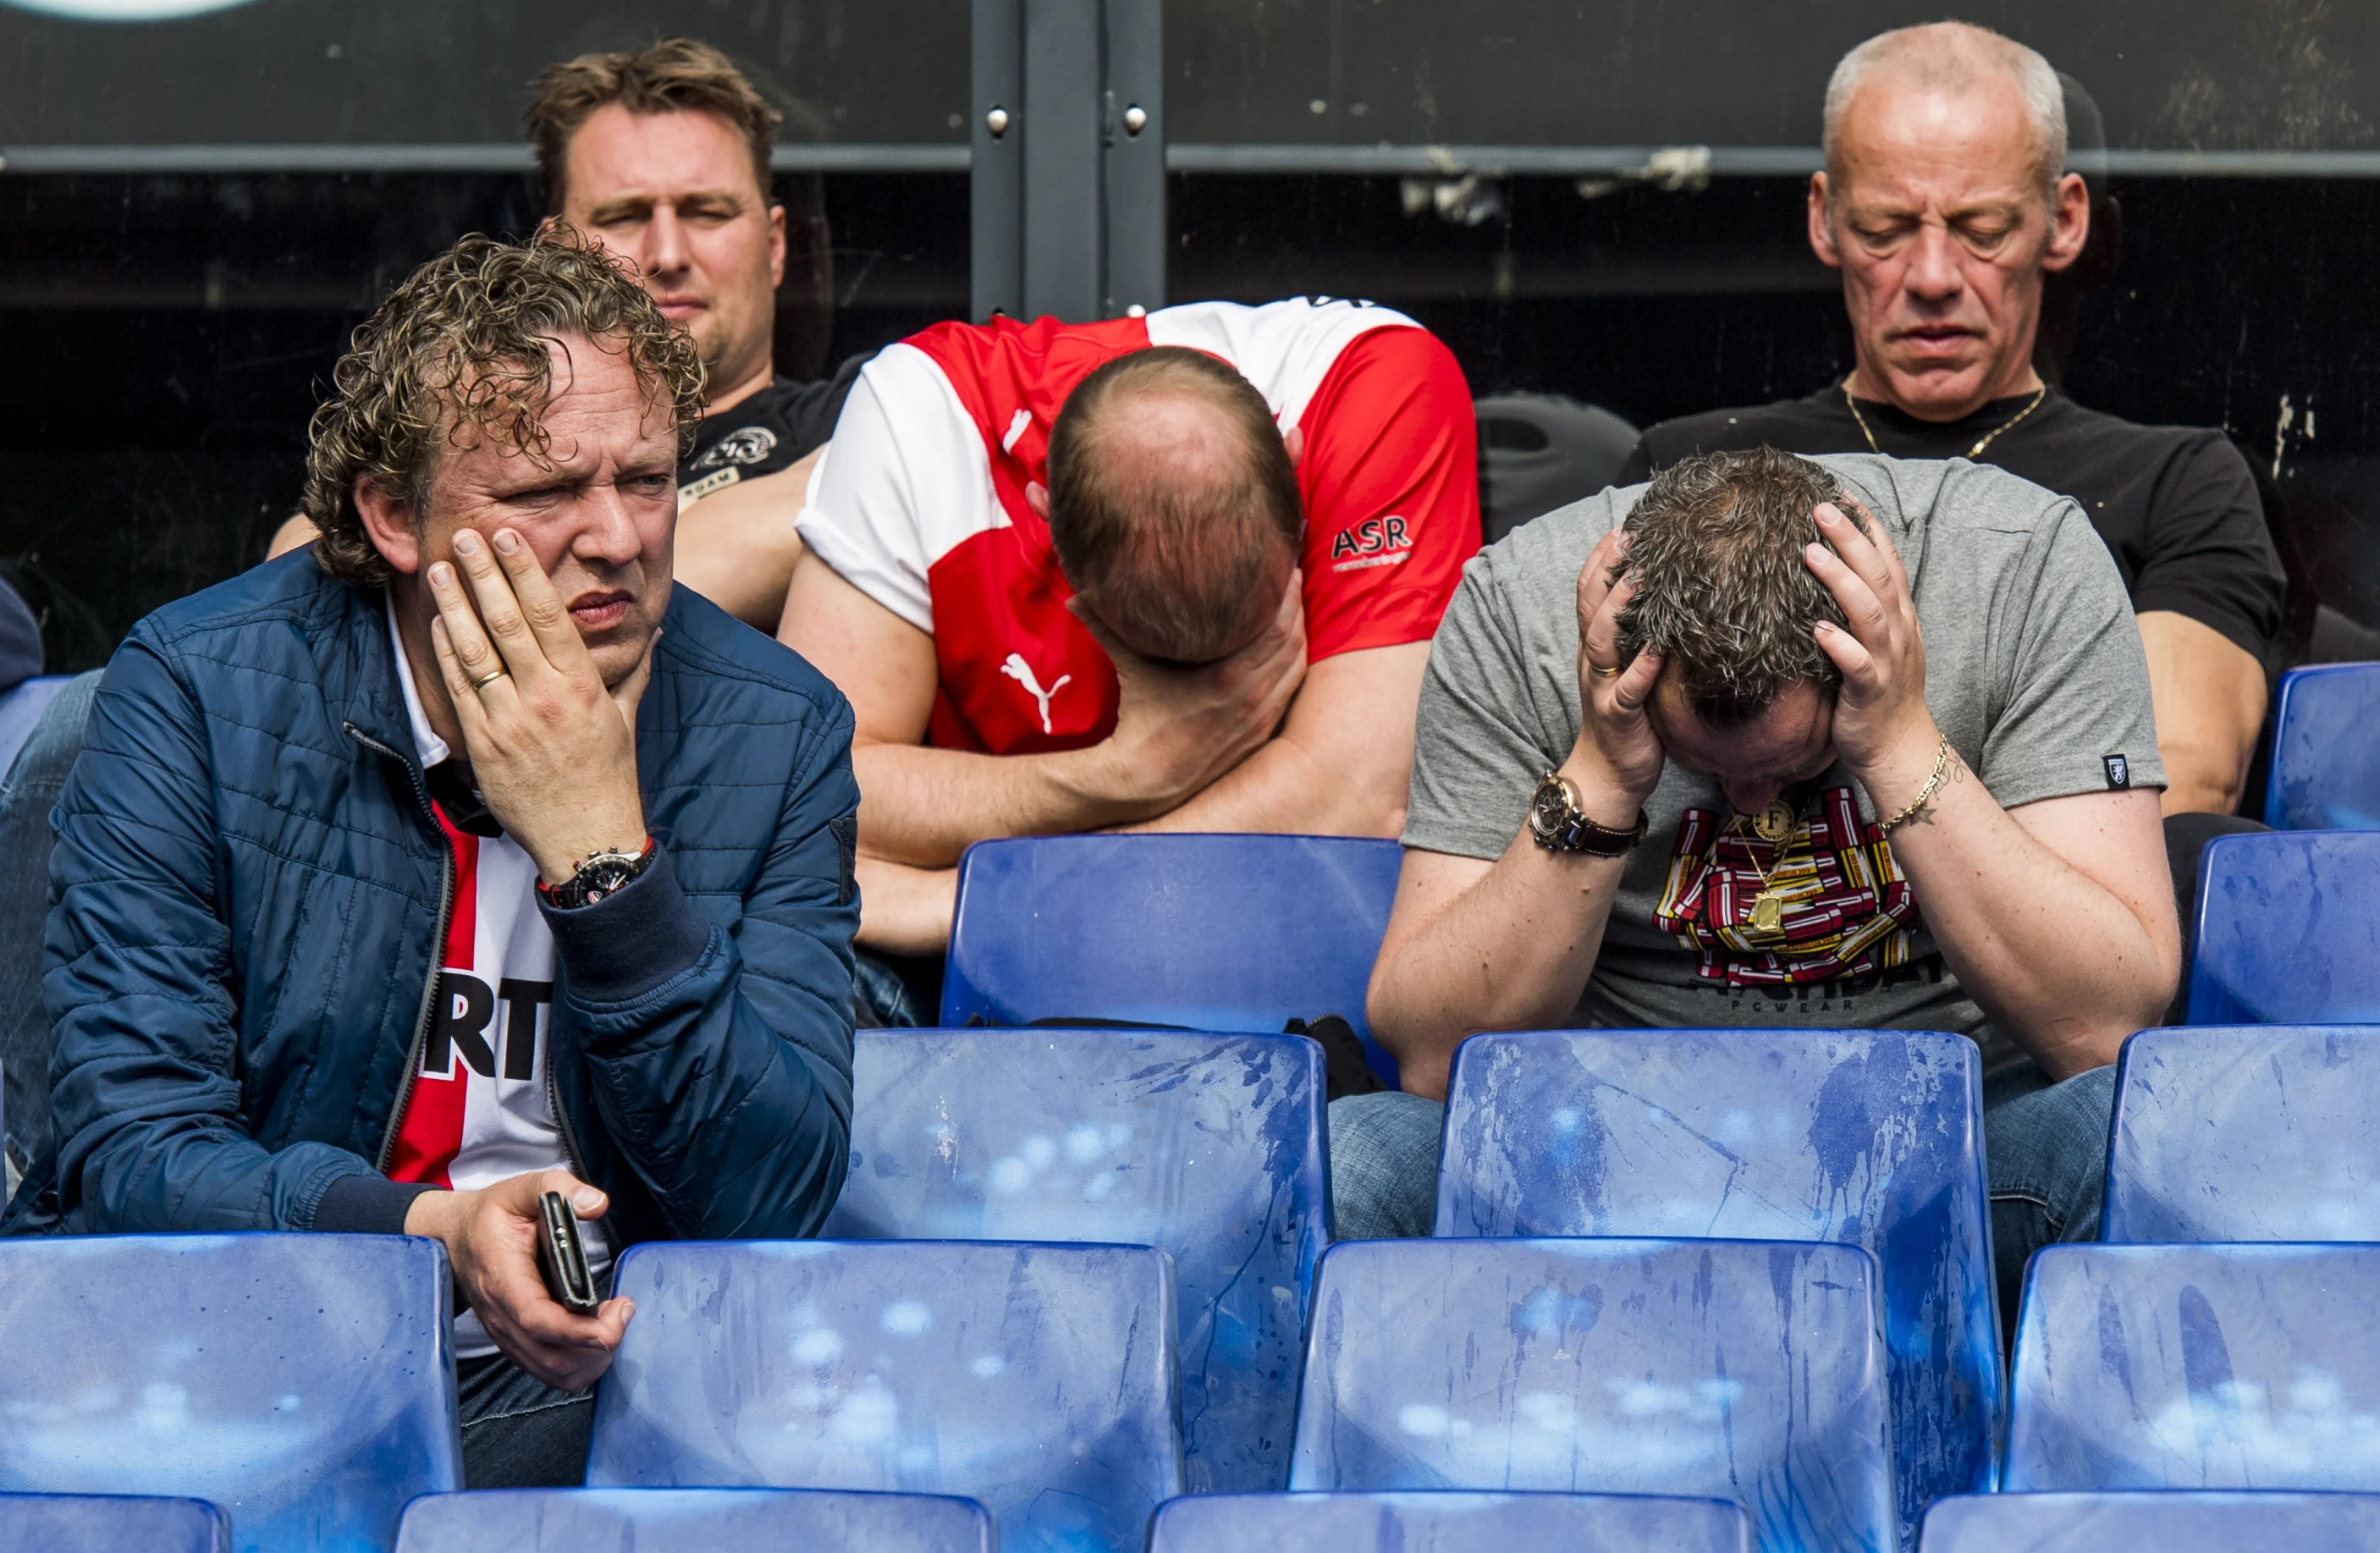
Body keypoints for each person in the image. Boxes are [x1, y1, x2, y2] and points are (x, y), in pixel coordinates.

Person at [6, 228, 860, 1488]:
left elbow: (773, 1197)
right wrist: (427, 1233)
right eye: (541, 495)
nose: (617, 537)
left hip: (598, 1387)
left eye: (647, 480)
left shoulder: (776, 728)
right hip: (247, 1347)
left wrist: (605, 861)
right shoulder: (200, 687)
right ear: (393, 516)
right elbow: (131, 1144)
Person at [1341, 445, 2181, 1305]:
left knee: (2146, 1143)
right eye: (1701, 764)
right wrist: (1602, 774)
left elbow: (2104, 1026)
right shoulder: (1518, 606)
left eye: (1792, 761)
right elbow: (1439, 1061)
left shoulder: (2020, 562)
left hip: (1953, 1139)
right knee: (1349, 1163)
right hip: (1599, 1138)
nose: (1749, 798)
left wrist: (1896, 746)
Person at [1628, 22, 2284, 822]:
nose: (1933, 277)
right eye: (1884, 230)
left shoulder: (2176, 485)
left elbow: (2174, 785)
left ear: (2066, 221)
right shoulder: (1690, 463)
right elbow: (1600, 749)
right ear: (1825, 219)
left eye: (1983, 231)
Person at [780, 296, 1481, 972]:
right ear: (1047, 529)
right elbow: (811, 797)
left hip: (1290, 977)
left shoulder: (1373, 381)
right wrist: (1123, 773)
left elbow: (1349, 802)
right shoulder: (923, 415)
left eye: (1257, 651)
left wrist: (964, 905)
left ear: (1299, 471)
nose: (1225, 687)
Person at [266, 36, 855, 630]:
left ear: (775, 246)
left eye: (708, 213)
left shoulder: (860, 419)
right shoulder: (471, 423)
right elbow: (301, 577)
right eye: (624, 216)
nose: (669, 253)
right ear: (556, 250)